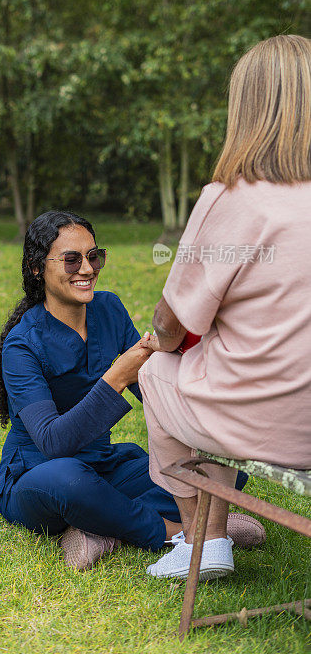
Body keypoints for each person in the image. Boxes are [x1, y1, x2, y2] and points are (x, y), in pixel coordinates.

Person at [134, 34, 311, 581]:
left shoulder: (233, 199)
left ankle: (203, 541)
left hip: (272, 427)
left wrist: (165, 341)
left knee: (161, 371)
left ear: (247, 109)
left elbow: (172, 324)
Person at [0, 210, 256, 569]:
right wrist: (116, 378)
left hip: (104, 465)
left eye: (94, 256)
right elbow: (54, 443)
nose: (87, 269)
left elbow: (152, 389)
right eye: (71, 259)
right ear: (38, 268)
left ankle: (97, 527)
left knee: (222, 466)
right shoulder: (21, 345)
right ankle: (180, 532)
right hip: (39, 475)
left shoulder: (109, 308)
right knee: (69, 481)